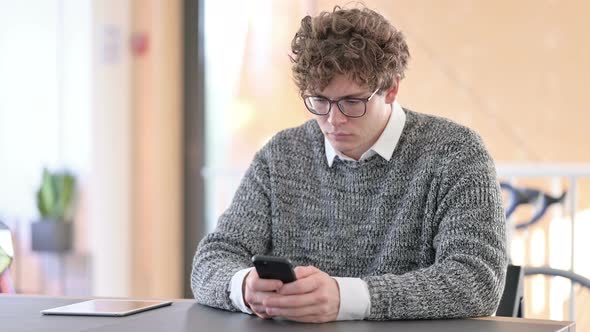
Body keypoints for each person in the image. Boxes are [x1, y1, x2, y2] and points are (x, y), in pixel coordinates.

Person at [191, 5, 507, 323]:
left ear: (392, 88)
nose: (333, 119)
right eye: (320, 101)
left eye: (352, 102)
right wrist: (245, 287)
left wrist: (346, 298)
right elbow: (213, 259)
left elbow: (476, 281)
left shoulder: (455, 152)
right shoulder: (281, 156)